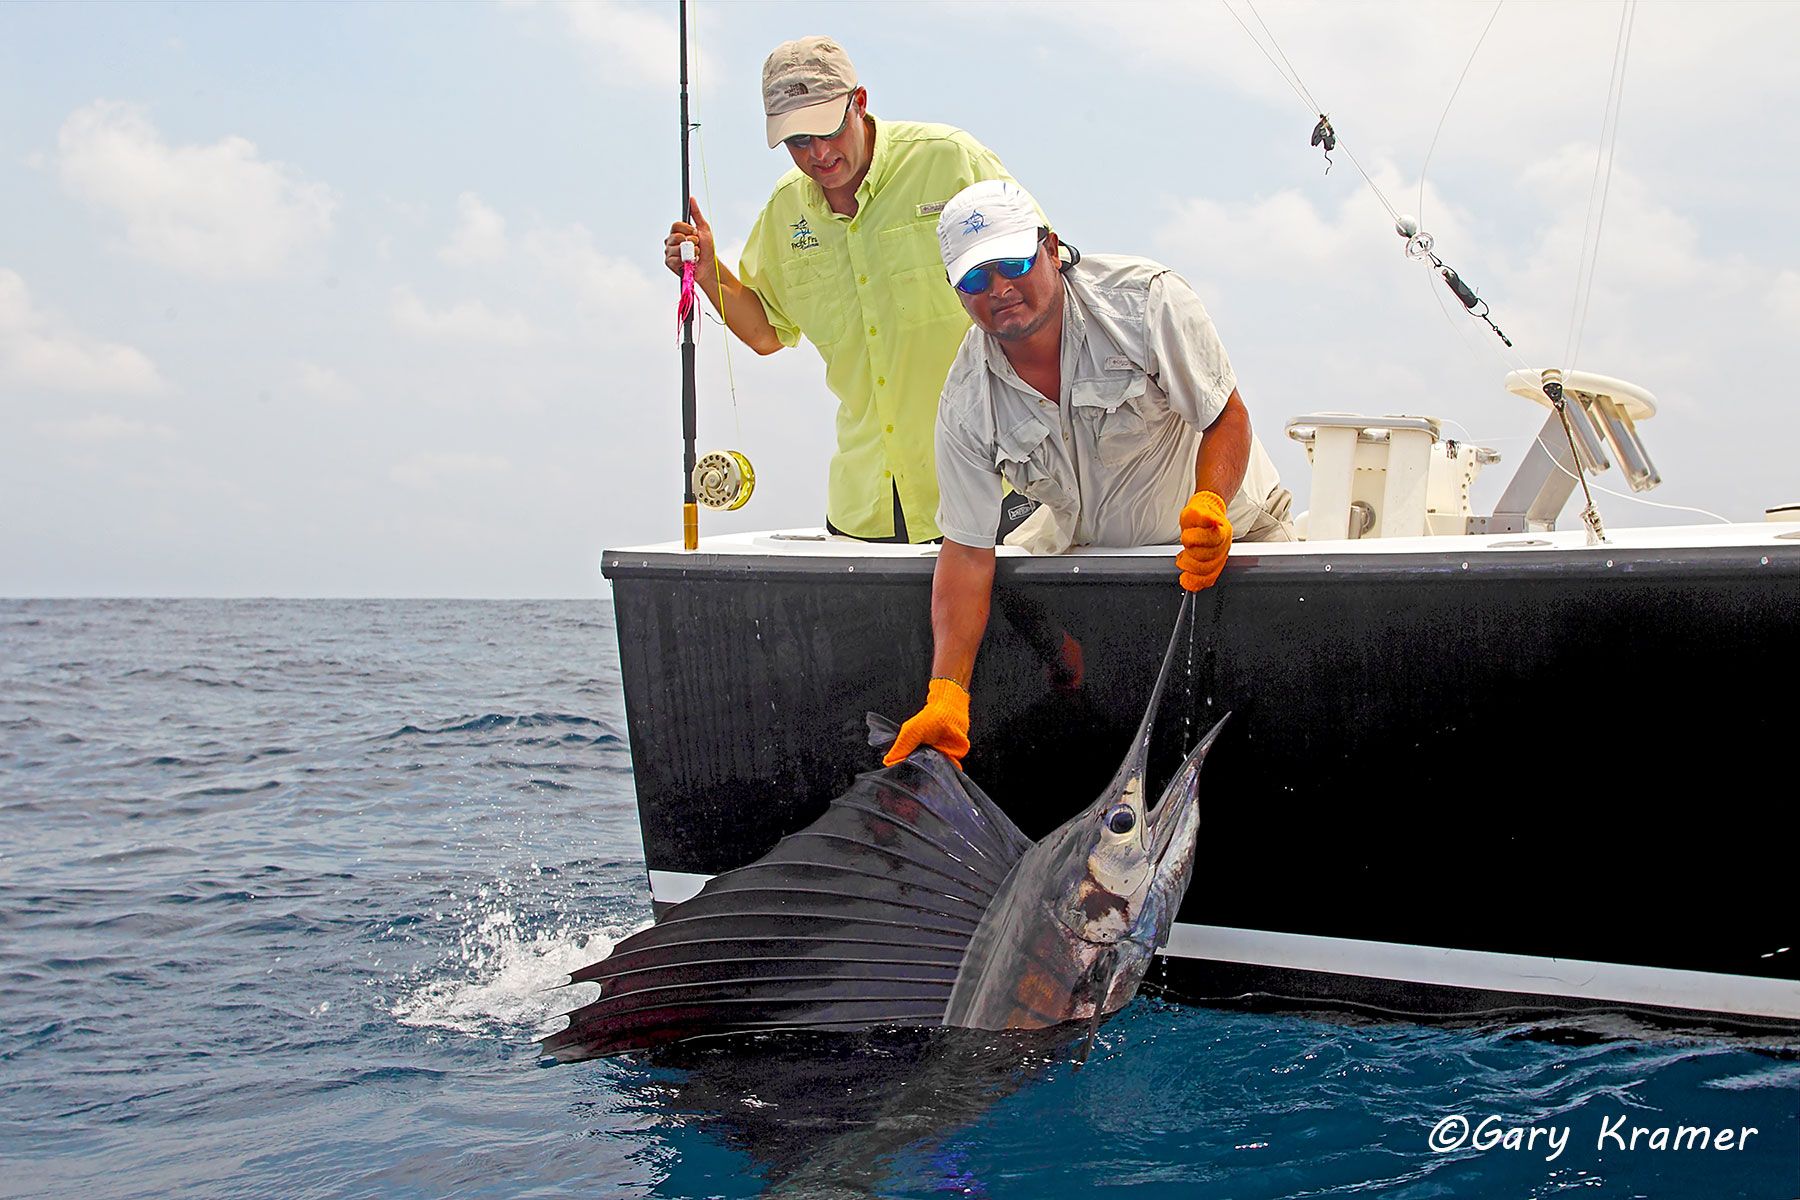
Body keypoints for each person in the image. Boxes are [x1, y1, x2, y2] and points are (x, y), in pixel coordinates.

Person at [883, 179, 1294, 768]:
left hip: (1228, 541)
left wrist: (1211, 503)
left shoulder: (1147, 301)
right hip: (1100, 569)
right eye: (975, 278)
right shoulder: (965, 400)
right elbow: (968, 550)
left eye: (1013, 263)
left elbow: (1226, 415)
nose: (998, 288)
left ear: (1050, 248)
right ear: (958, 294)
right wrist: (946, 691)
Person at [663, 36, 1023, 543]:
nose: (820, 153)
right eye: (798, 142)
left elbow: (1043, 284)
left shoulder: (951, 160)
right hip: (864, 510)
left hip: (998, 487)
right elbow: (768, 333)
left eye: (828, 130)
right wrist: (707, 273)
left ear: (860, 102)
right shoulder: (785, 212)